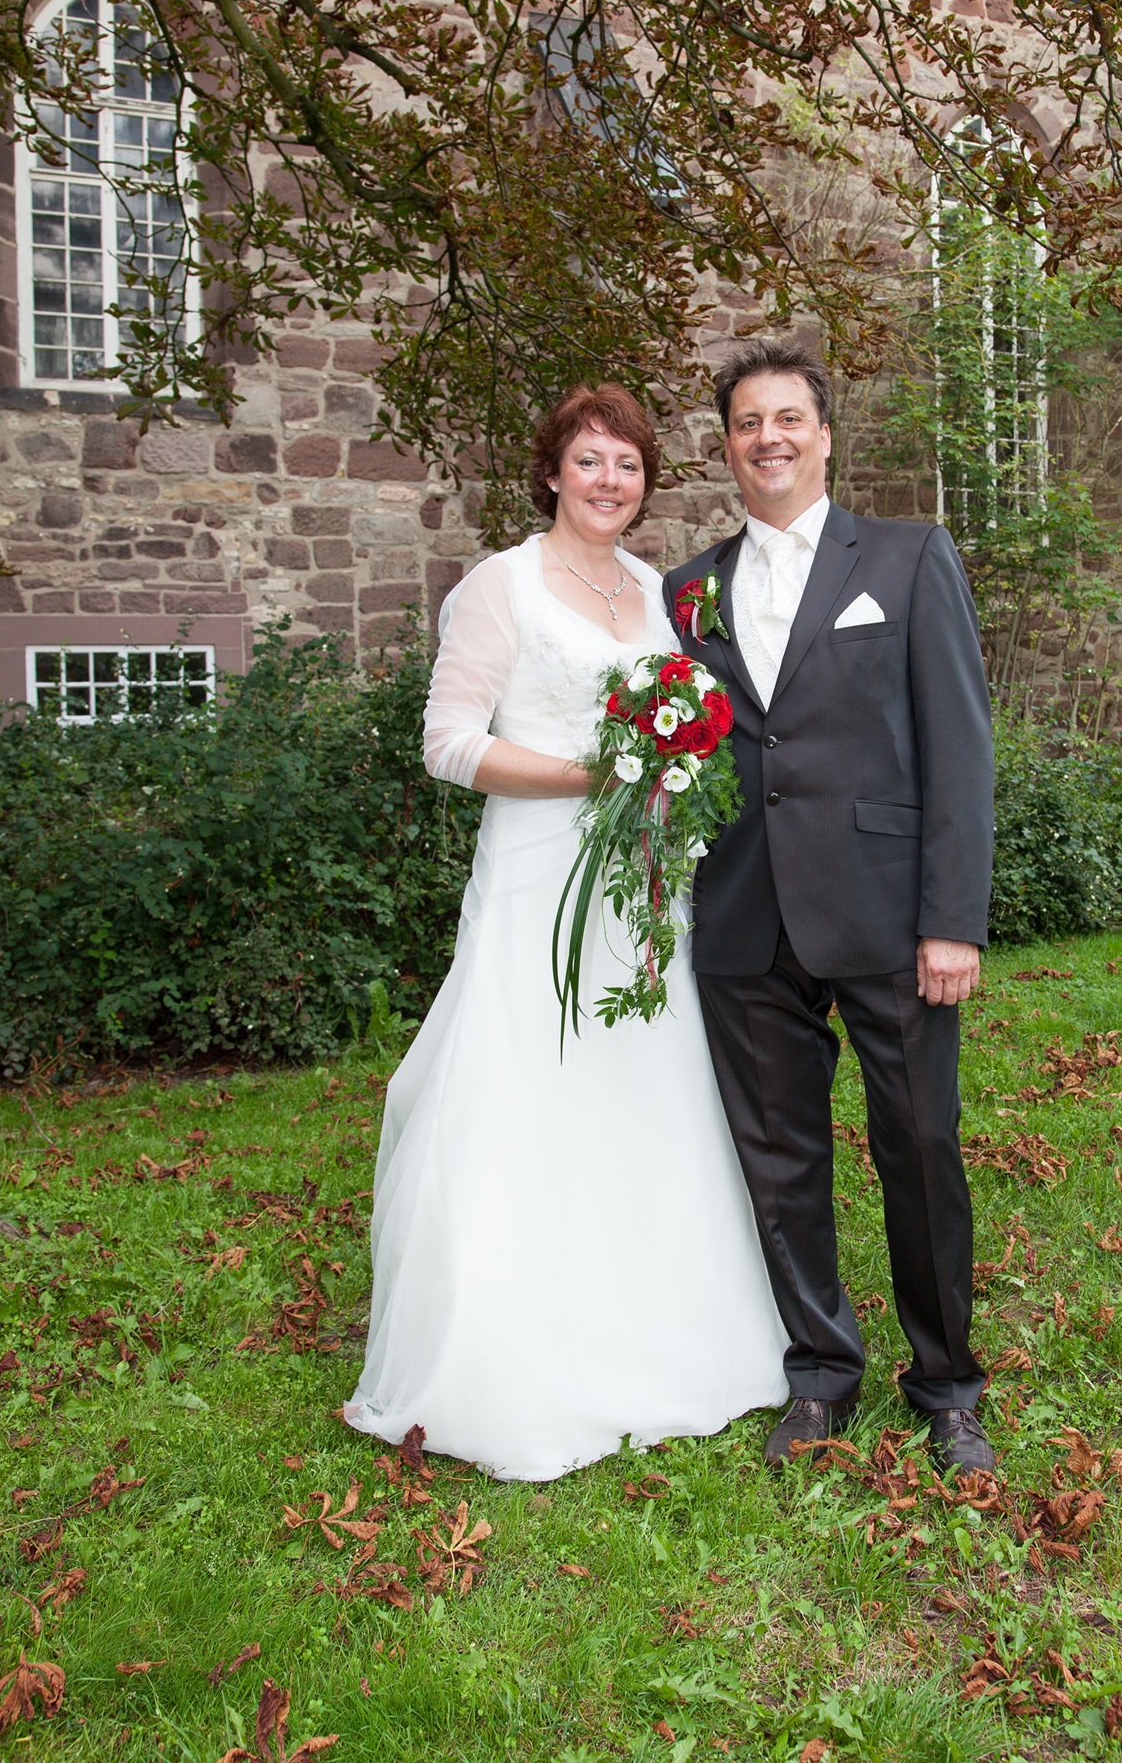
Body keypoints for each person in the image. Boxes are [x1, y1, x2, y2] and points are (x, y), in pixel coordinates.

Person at [345, 382, 787, 1482]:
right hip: (540, 877)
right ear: (551, 472)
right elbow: (449, 742)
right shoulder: (500, 585)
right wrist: (594, 775)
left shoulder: (656, 590)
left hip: (644, 882)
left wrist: (666, 785)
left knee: (645, 1083)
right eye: (589, 460)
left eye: (627, 465)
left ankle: (666, 1332)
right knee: (535, 1083)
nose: (608, 481)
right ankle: (519, 1353)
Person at [663, 337, 996, 1475]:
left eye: (788, 418)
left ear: (823, 435)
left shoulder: (907, 557)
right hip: (745, 917)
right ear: (727, 448)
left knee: (921, 1146)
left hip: (889, 914)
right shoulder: (687, 591)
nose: (769, 438)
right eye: (747, 423)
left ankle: (946, 1386)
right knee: (780, 1159)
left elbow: (959, 748)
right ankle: (818, 1373)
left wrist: (952, 918)